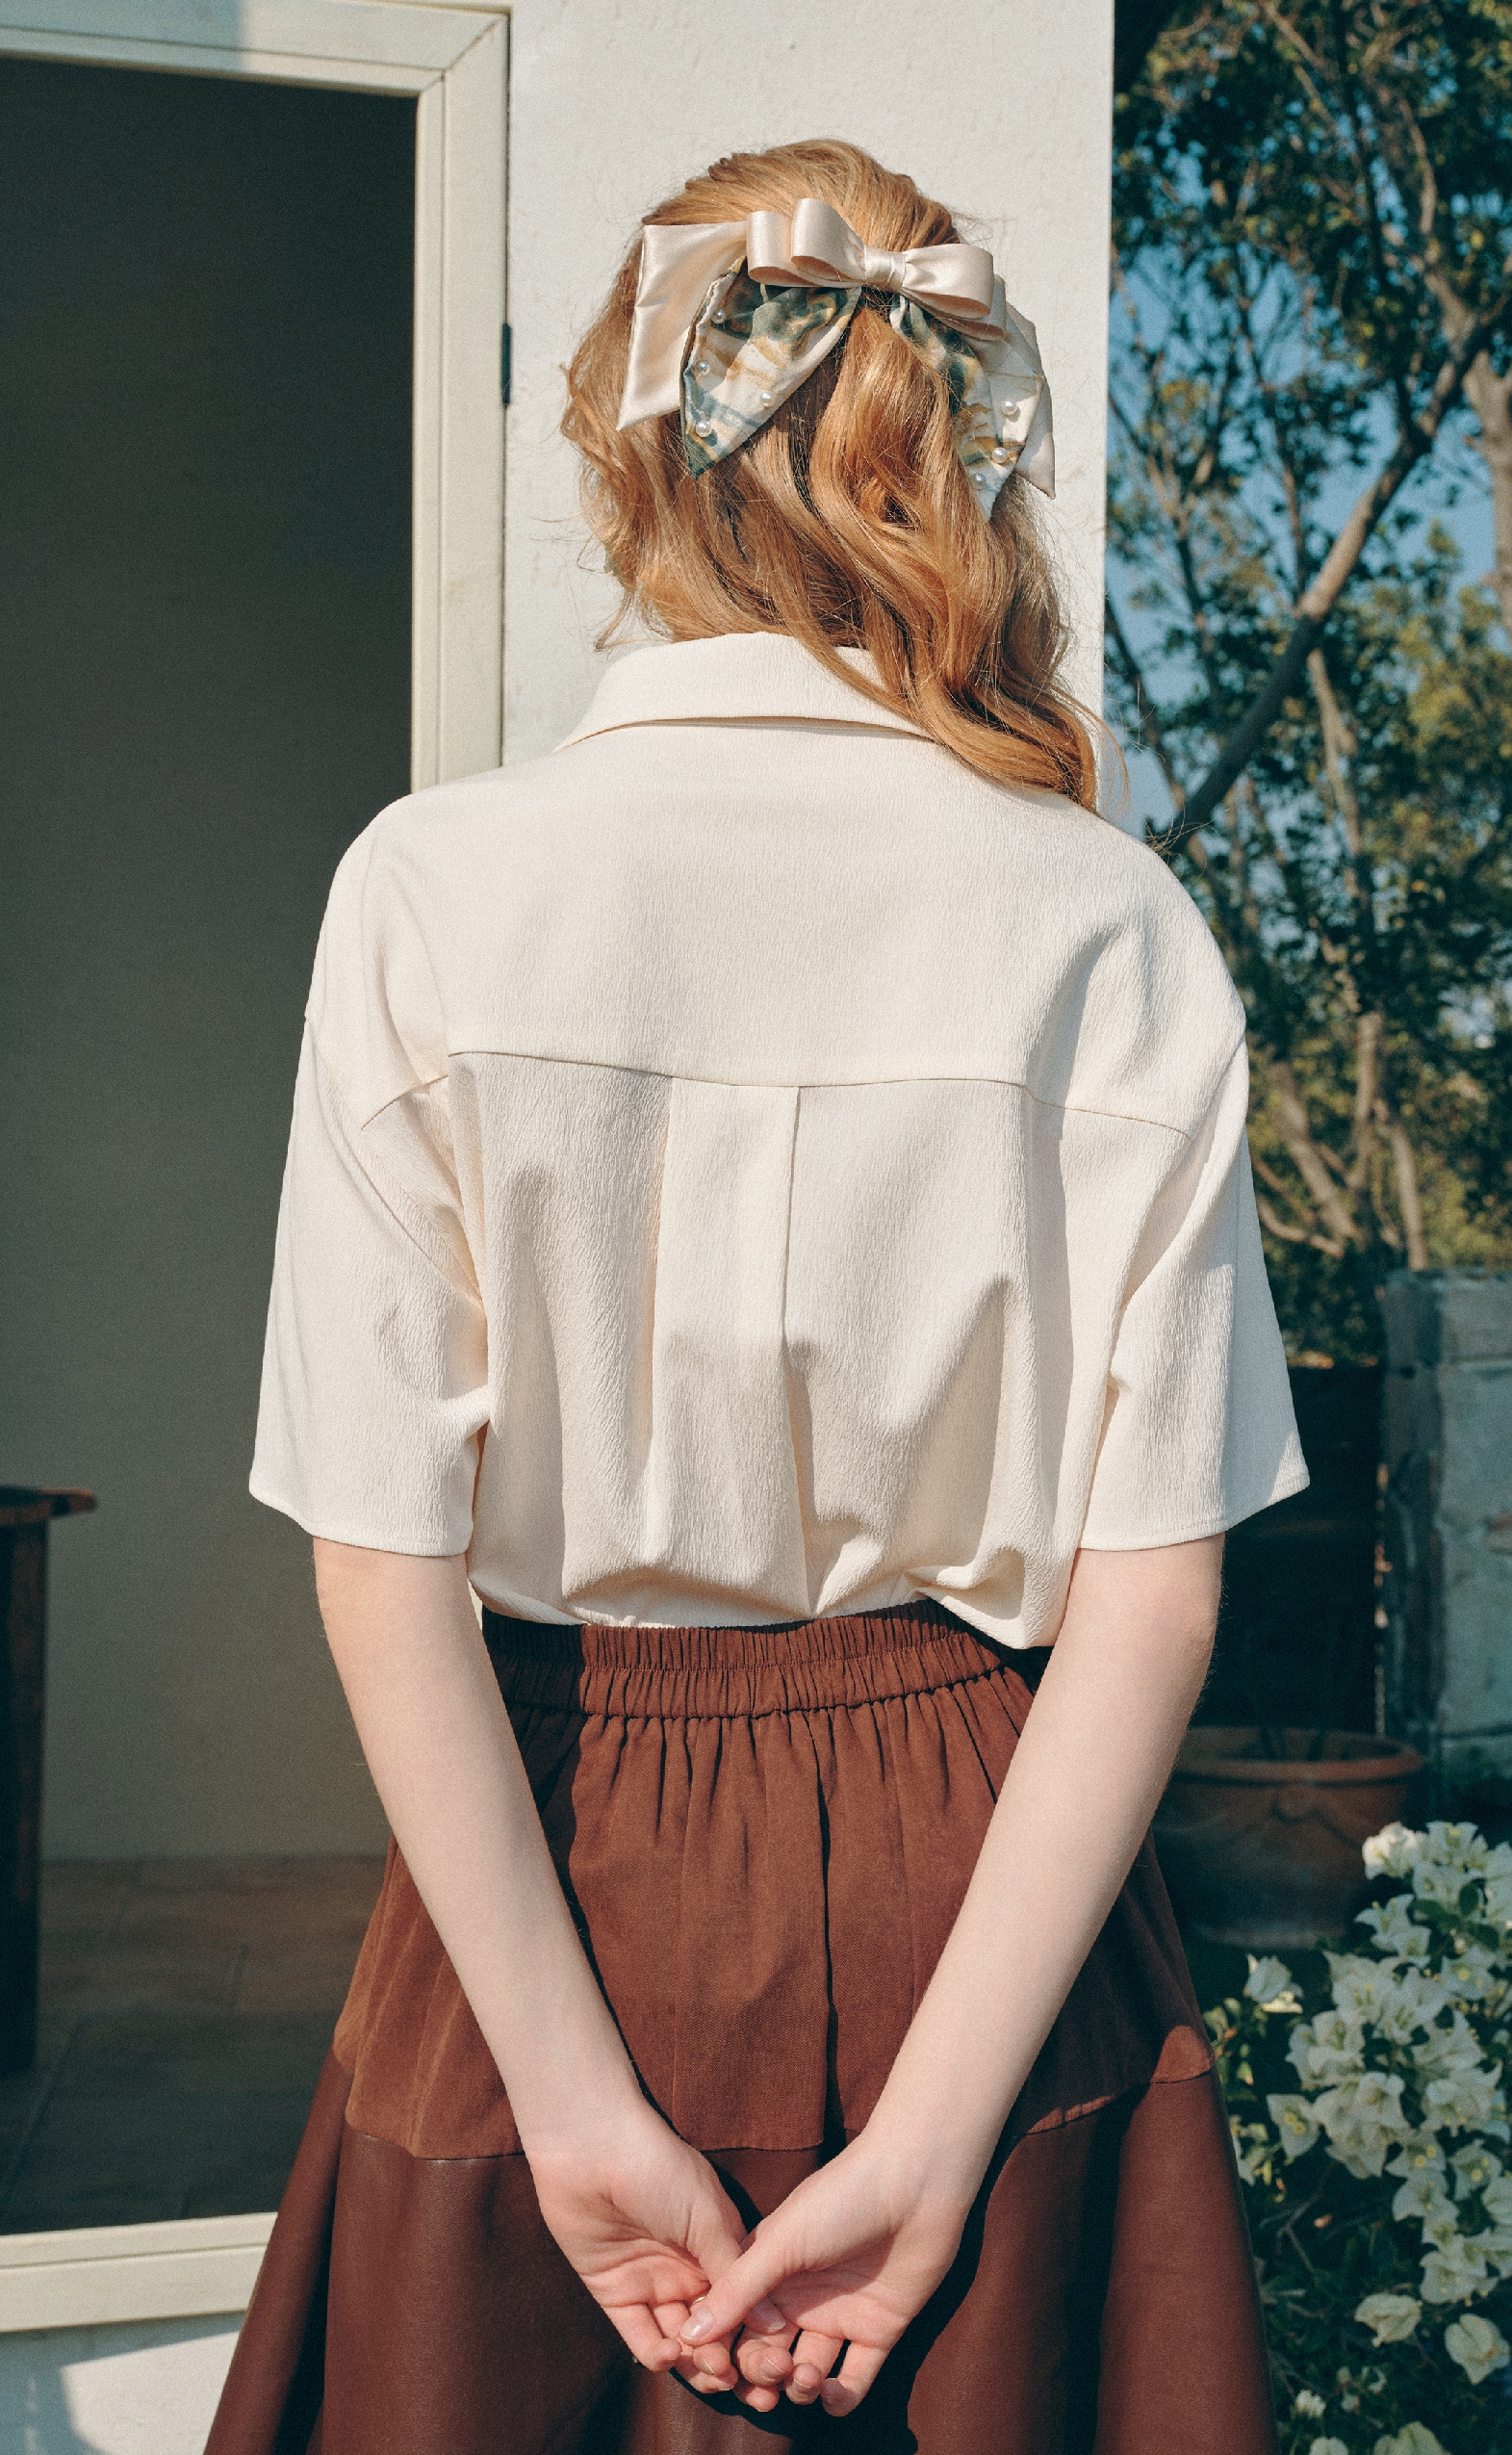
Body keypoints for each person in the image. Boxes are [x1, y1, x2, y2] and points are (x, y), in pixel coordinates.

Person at [206, 139, 1307, 2455]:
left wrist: (577, 2111)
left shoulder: (428, 889)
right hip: (981, 1898)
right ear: (953, 452)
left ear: (626, 446)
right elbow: (1153, 1603)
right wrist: (924, 2157)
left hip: (554, 1873)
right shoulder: (1109, 926)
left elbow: (381, 1570)